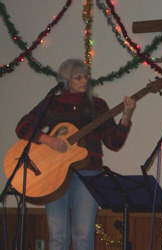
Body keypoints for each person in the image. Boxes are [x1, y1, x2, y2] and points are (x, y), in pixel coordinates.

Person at [15, 59, 136, 250]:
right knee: (57, 236)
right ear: (65, 80)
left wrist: (126, 117)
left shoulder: (97, 105)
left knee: (83, 235)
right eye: (78, 77)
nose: (84, 80)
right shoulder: (52, 103)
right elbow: (23, 127)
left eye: (86, 76)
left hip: (88, 173)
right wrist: (48, 140)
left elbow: (114, 143)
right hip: (53, 174)